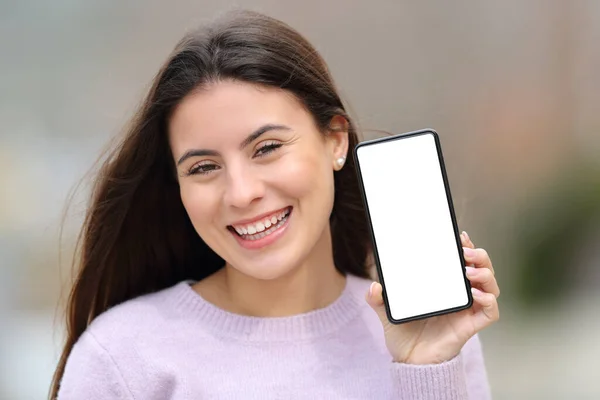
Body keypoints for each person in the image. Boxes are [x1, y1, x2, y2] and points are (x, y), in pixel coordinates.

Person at [50, 10, 500, 400]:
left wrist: (425, 369)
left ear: (335, 141)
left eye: (266, 148)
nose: (242, 192)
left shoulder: (436, 334)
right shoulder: (123, 360)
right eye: (204, 167)